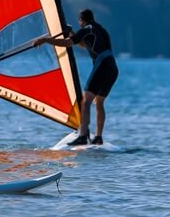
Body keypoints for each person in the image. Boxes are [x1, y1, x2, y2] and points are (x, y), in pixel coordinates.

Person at [34, 8, 118, 145]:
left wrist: (46, 40)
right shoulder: (100, 29)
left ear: (81, 21)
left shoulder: (87, 29)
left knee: (86, 102)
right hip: (113, 68)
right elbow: (84, 45)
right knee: (99, 102)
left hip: (102, 66)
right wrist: (72, 33)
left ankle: (83, 136)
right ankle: (98, 137)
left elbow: (68, 43)